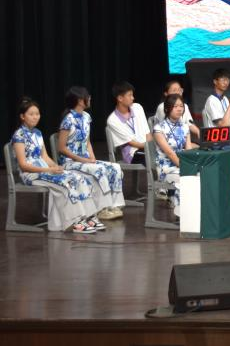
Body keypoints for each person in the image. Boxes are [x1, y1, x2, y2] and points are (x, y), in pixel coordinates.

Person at [11, 97, 104, 234]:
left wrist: (56, 166)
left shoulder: (37, 133)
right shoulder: (19, 135)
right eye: (31, 114)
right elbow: (24, 165)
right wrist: (48, 170)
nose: (35, 117)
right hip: (31, 174)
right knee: (67, 182)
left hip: (45, 170)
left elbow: (44, 157)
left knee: (78, 178)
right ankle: (75, 220)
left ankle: (88, 216)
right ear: (22, 116)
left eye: (37, 114)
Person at [57, 87, 125, 220]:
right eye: (87, 96)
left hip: (85, 160)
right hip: (70, 162)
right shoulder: (68, 120)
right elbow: (61, 148)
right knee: (99, 170)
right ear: (79, 101)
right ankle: (102, 208)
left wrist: (92, 157)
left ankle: (115, 205)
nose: (90, 98)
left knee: (115, 167)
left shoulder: (86, 117)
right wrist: (83, 160)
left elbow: (87, 141)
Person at [153, 94, 199, 217]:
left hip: (181, 163)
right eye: (175, 106)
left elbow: (188, 150)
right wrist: (186, 167)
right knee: (185, 177)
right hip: (166, 167)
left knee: (200, 174)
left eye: (181, 106)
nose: (179, 109)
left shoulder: (185, 127)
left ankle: (194, 211)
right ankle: (182, 215)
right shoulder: (159, 128)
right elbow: (169, 153)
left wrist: (192, 165)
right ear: (167, 109)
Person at [106, 81, 150, 165]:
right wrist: (152, 147)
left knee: (169, 153)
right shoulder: (112, 120)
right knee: (161, 156)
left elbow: (147, 133)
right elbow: (131, 142)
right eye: (130, 95)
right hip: (133, 154)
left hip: (147, 148)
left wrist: (153, 146)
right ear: (120, 98)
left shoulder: (137, 107)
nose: (133, 98)